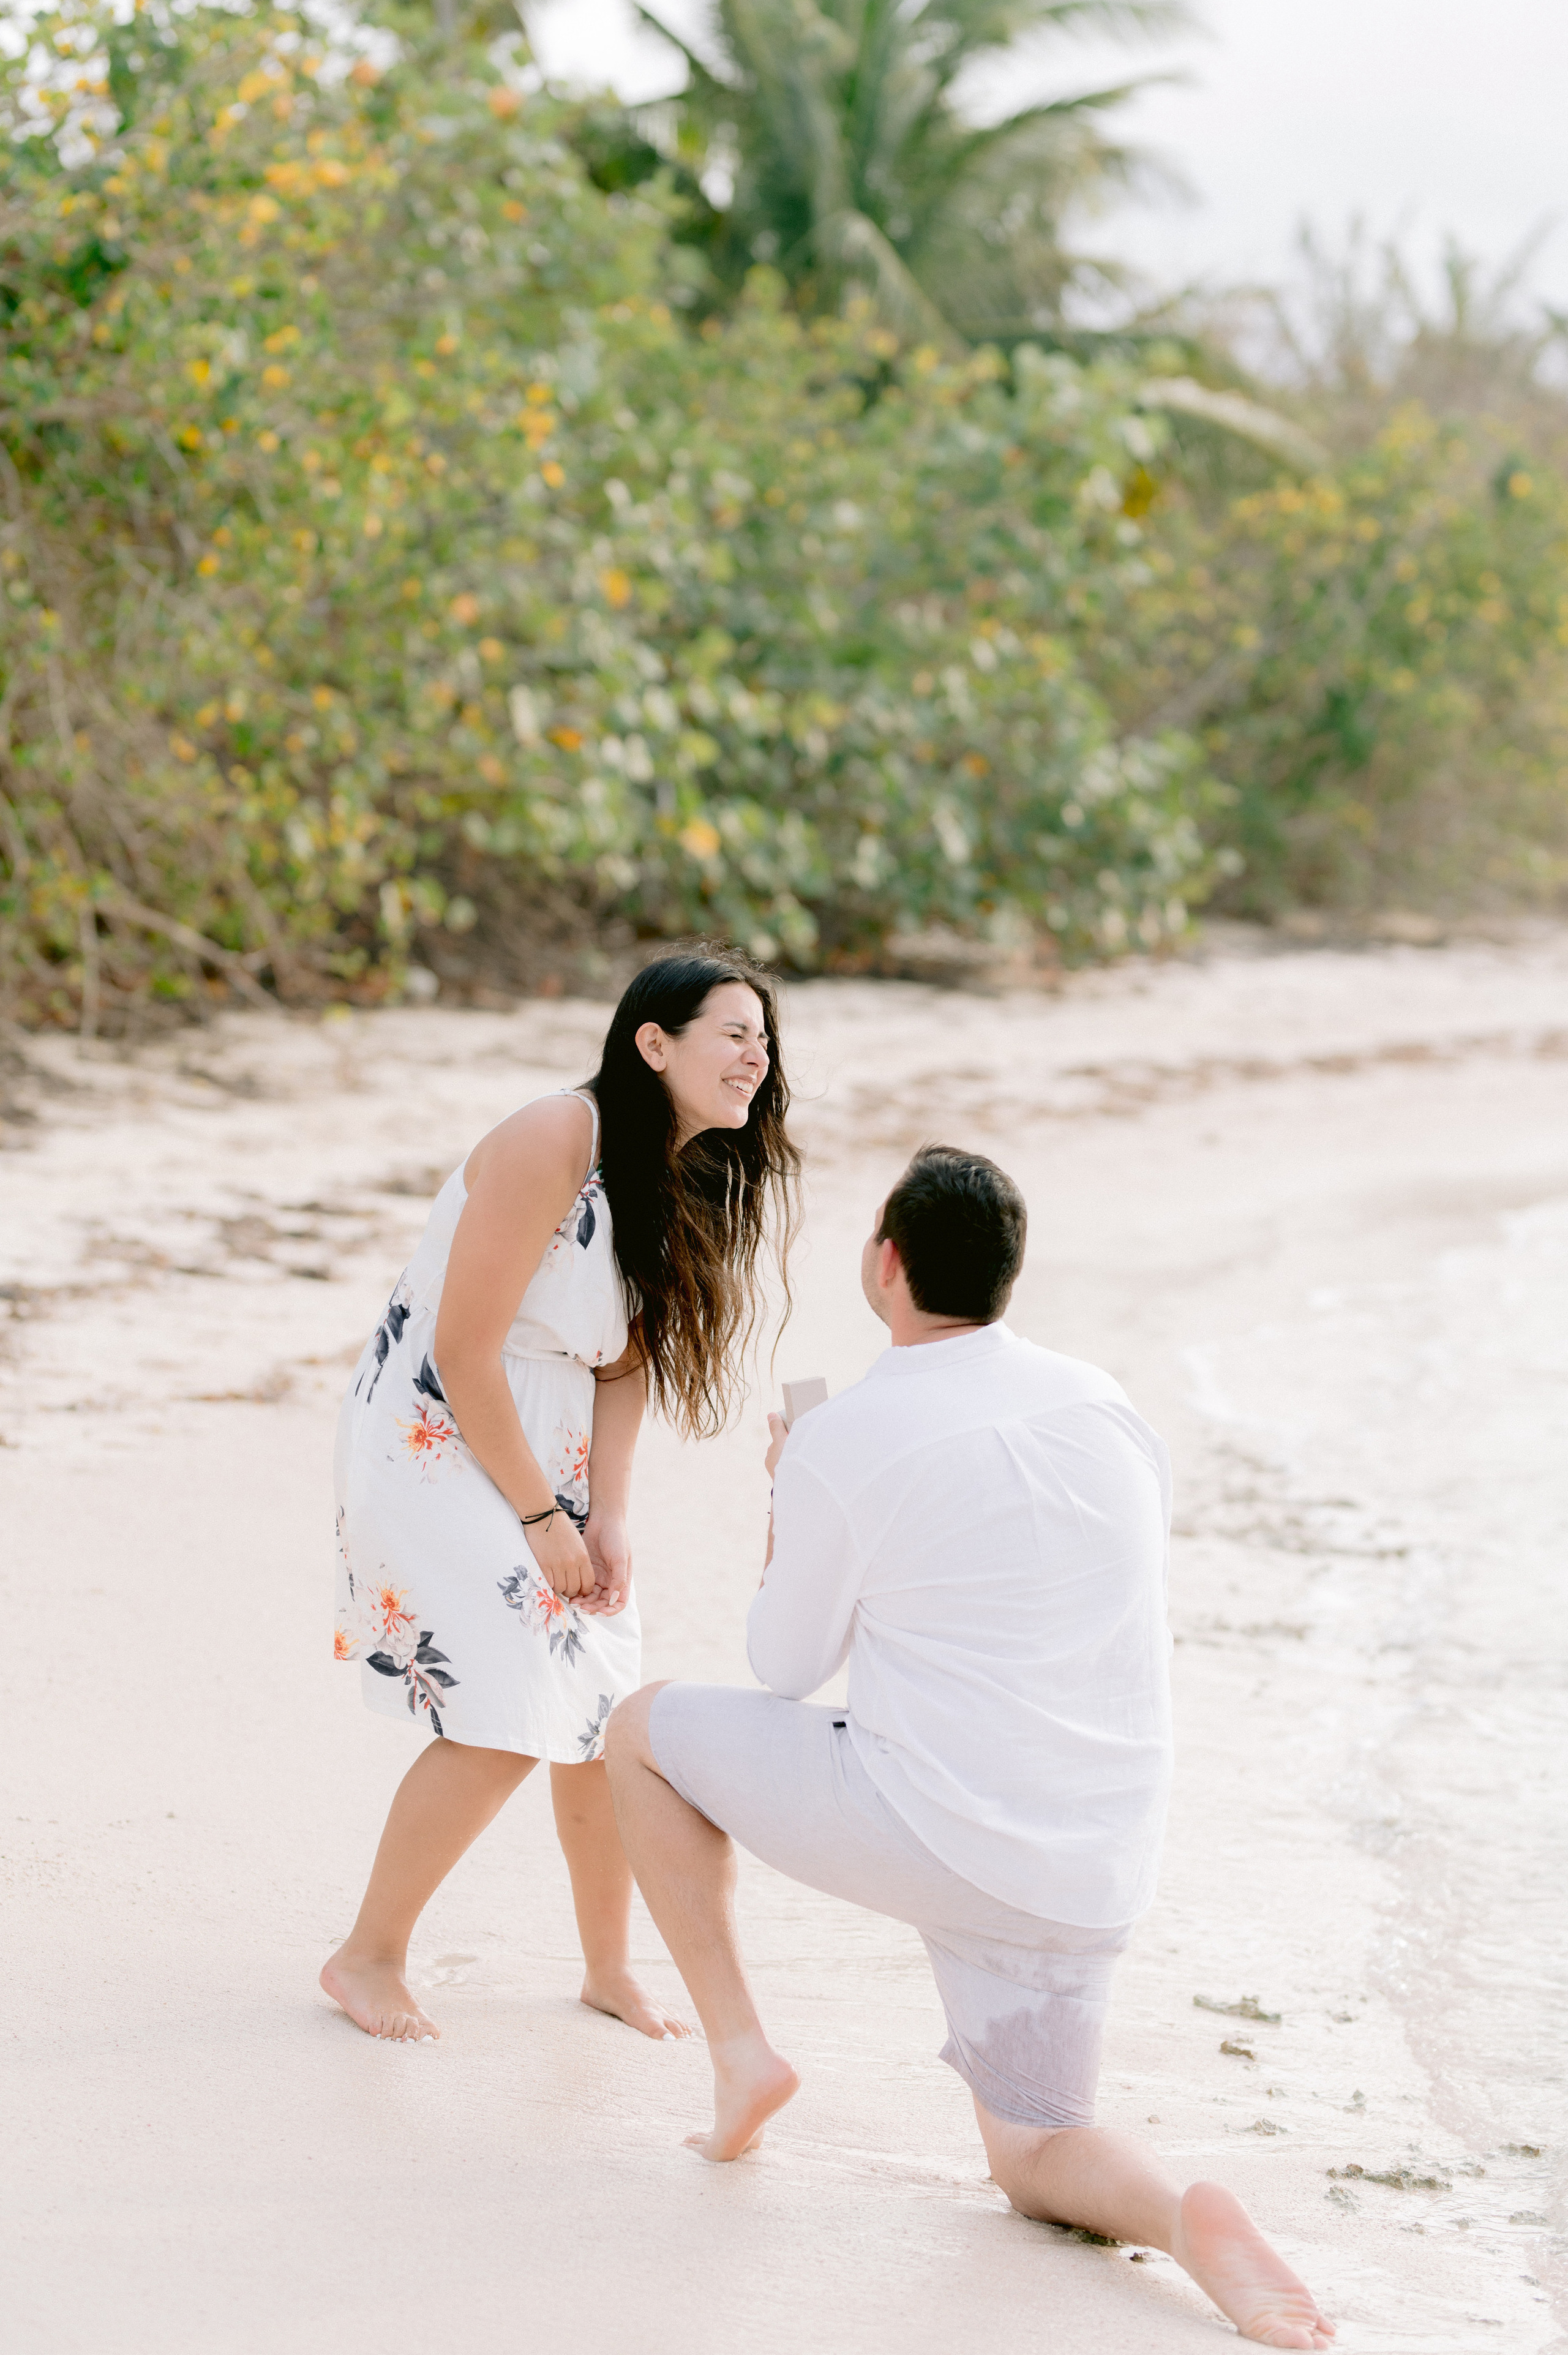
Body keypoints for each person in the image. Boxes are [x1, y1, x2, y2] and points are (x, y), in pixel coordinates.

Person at [605, 1144, 1335, 2351]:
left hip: (938, 1826)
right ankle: (1180, 2219)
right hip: (1091, 1859)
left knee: (639, 1733)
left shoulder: (847, 1433)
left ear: (885, 1263)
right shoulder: (1103, 1403)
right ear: (1008, 1272)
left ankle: (741, 2056)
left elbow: (784, 1666)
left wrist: (792, 1497)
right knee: (1035, 2152)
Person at [321, 947, 800, 2045]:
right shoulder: (557, 1135)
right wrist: (541, 1518)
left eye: (764, 1040)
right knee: (506, 1701)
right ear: (653, 1043)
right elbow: (463, 1346)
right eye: (734, 1033)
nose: (756, 1058)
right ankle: (367, 1955)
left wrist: (607, 1515)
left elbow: (624, 1365)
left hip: (556, 1441)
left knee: (598, 1711)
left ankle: (606, 1967)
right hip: (441, 1430)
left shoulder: (679, 1170)